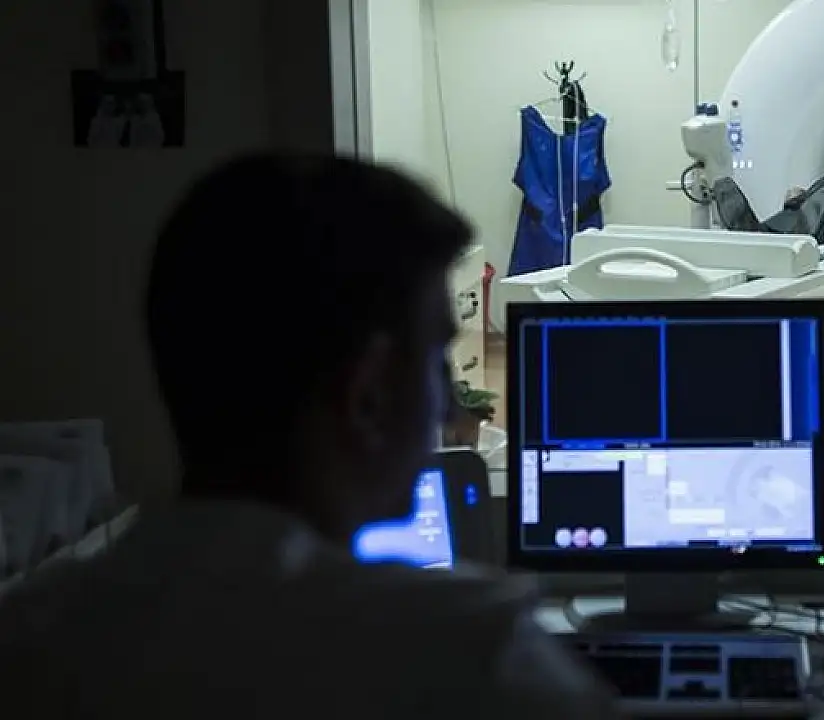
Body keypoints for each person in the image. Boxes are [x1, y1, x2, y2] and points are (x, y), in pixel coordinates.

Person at [0, 154, 619, 718]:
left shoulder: (30, 638)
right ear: (367, 396)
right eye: (436, 361)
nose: (451, 402)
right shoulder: (475, 660)